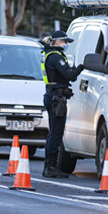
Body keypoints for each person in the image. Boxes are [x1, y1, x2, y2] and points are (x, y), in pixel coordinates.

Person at [40, 30, 83, 178]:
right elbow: (69, 76)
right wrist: (81, 67)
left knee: (53, 133)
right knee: (56, 133)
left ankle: (49, 166)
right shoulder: (55, 56)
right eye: (65, 42)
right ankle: (50, 167)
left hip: (52, 95)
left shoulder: (50, 54)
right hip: (56, 98)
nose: (66, 45)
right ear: (57, 42)